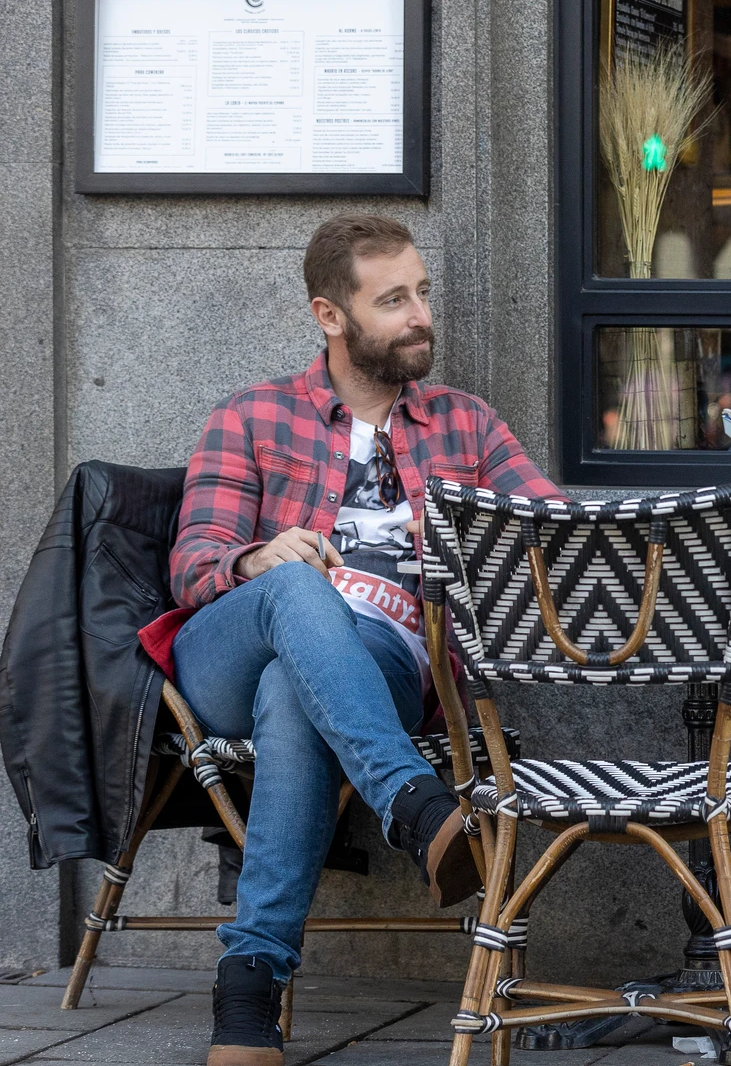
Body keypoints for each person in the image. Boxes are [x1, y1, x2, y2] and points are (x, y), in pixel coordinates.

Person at [162, 215, 562, 1066]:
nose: (421, 314)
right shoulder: (253, 414)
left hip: (384, 655)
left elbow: (548, 536)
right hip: (228, 648)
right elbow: (191, 566)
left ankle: (247, 996)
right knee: (296, 591)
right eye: (393, 300)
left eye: (422, 291)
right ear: (330, 315)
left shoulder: (467, 425)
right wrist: (257, 558)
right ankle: (419, 807)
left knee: (294, 697)